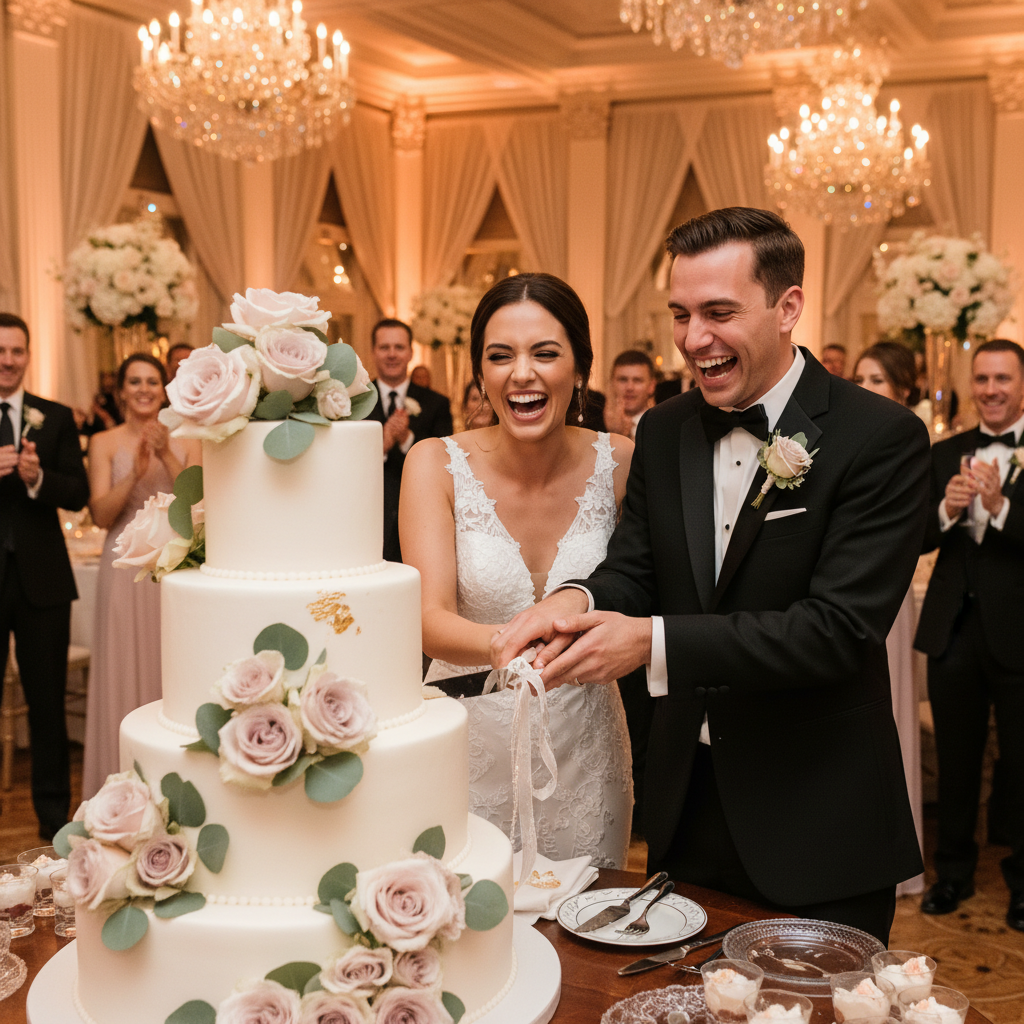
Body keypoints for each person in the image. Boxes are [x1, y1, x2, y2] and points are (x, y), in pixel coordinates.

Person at [493, 208, 930, 943]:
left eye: (719, 313)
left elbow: (837, 632)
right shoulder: (666, 430)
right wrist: (571, 600)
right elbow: (635, 567)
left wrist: (651, 643)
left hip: (818, 815)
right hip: (686, 808)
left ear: (788, 307)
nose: (694, 338)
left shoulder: (880, 437)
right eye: (680, 314)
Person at [400, 273, 635, 868]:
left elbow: (642, 584)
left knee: (586, 913)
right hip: (467, 733)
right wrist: (516, 647)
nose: (521, 373)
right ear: (480, 374)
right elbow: (427, 619)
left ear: (580, 368)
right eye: (500, 356)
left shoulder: (622, 462)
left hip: (587, 742)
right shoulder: (434, 463)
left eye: (545, 353)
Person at [914, 338, 1024, 930]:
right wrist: (947, 511)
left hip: (1018, 633)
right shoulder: (946, 453)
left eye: (1002, 378)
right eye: (982, 379)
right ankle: (952, 874)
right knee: (956, 760)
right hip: (953, 628)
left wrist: (1000, 506)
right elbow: (917, 536)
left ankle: (1023, 884)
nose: (991, 390)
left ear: (1022, 385)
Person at [83, 354, 200, 797]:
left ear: (164, 389)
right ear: (120, 391)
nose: (144, 389)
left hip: (174, 567)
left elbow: (198, 502)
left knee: (170, 670)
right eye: (134, 381)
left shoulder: (190, 437)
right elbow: (100, 515)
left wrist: (165, 452)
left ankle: (171, 785)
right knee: (121, 670)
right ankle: (119, 789)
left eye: (152, 381)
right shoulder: (104, 442)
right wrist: (133, 473)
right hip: (122, 569)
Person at [0, 312, 89, 839]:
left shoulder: (54, 417)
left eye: (16, 351)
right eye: (0, 351)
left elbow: (78, 493)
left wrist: (39, 479)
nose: (7, 360)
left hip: (44, 582)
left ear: (28, 356)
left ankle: (54, 818)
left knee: (48, 704)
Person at [852, 341, 925, 896]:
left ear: (902, 388)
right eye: (860, 379)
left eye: (876, 380)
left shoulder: (907, 440)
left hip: (887, 596)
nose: (865, 389)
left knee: (891, 706)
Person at [366, 319, 453, 563]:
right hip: (369, 513)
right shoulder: (354, 400)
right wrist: (380, 446)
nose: (392, 354)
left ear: (410, 352)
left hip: (421, 513)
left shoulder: (436, 403)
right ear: (373, 352)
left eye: (399, 347)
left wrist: (407, 439)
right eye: (384, 347)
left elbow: (446, 461)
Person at [603, 350, 657, 440]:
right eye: (623, 380)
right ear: (612, 383)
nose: (629, 387)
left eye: (637, 380)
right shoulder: (593, 424)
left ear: (652, 386)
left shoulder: (662, 424)